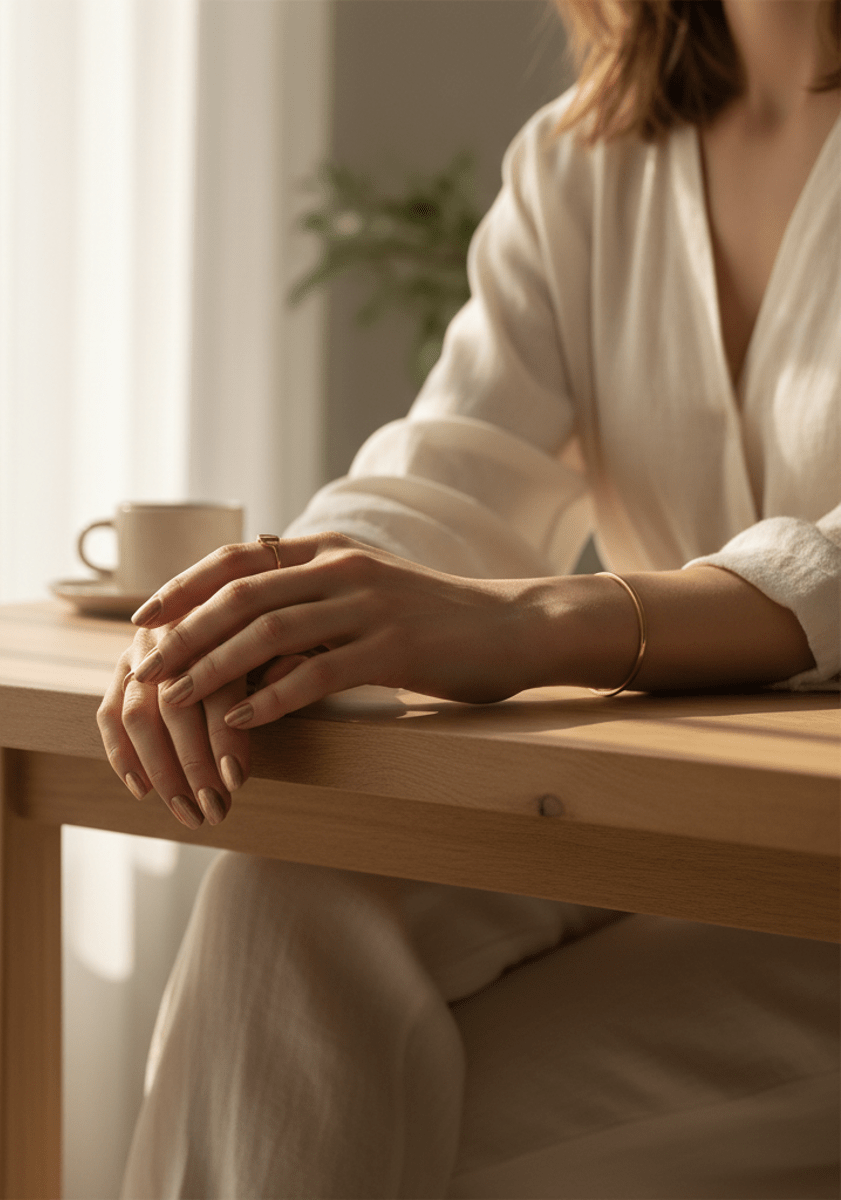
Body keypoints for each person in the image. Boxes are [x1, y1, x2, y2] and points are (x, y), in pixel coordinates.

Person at [97, 0, 841, 1194]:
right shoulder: (585, 158)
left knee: (341, 1125)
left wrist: (535, 621)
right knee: (289, 891)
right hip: (696, 835)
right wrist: (281, 601)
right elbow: (452, 461)